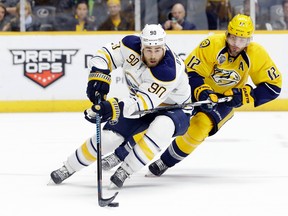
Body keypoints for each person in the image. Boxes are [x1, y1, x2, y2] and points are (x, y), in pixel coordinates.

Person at [50, 24, 192, 188]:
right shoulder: (130, 45)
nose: (153, 55)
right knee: (110, 138)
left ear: (164, 47)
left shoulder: (168, 71)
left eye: (158, 50)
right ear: (142, 46)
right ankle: (68, 167)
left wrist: (109, 109)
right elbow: (105, 55)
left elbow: (141, 104)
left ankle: (125, 170)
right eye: (149, 50)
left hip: (175, 110)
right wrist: (99, 76)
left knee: (161, 128)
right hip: (141, 103)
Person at [146, 14, 282, 177]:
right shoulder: (212, 44)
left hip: (226, 100)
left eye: (242, 41)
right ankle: (125, 150)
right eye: (233, 38)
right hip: (197, 89)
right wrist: (203, 91)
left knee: (201, 126)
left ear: (249, 40)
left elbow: (273, 86)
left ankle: (166, 161)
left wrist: (245, 95)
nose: (236, 45)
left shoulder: (256, 53)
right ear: (227, 34)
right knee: (162, 116)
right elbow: (190, 71)